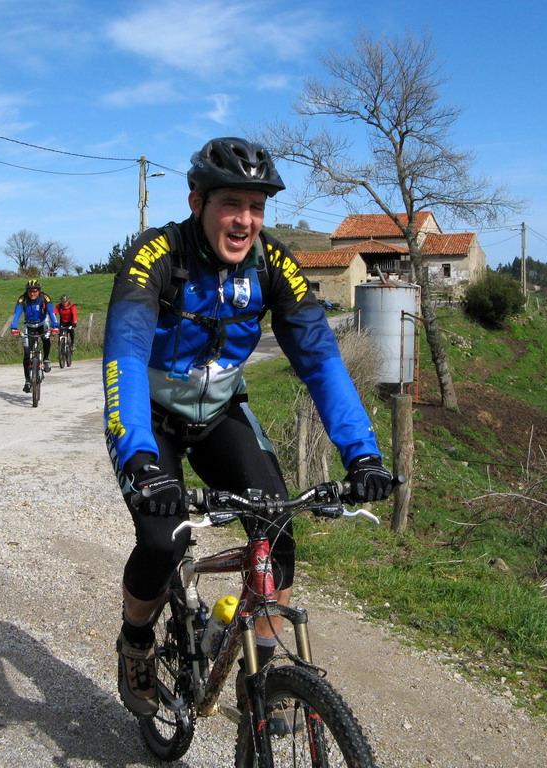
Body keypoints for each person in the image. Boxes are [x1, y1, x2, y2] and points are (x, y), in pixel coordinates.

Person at [102, 137, 395, 716]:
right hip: (152, 420)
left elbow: (320, 360)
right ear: (197, 202)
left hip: (219, 415)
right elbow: (126, 354)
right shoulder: (157, 254)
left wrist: (362, 454)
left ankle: (262, 683)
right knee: (163, 540)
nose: (245, 220)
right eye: (231, 204)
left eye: (257, 207)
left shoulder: (273, 264)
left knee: (277, 530)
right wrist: (138, 456)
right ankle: (136, 639)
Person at [9, 279, 59, 393]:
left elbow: (51, 312)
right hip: (29, 326)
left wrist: (55, 326)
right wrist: (14, 327)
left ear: (39, 291)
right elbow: (17, 314)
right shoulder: (22, 299)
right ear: (27, 291)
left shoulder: (44, 298)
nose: (32, 293)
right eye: (30, 291)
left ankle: (46, 359)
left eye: (35, 291)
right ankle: (27, 381)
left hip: (42, 323)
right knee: (27, 354)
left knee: (46, 338)